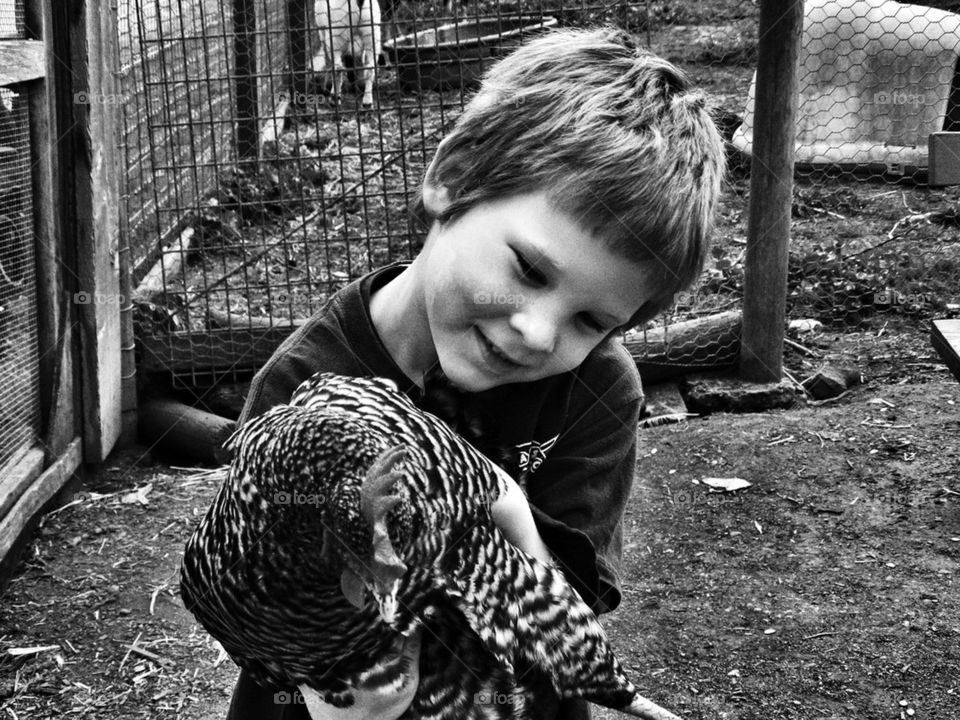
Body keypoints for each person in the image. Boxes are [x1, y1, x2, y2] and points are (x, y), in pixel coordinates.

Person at [224, 25, 725, 720]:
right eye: (527, 270)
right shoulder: (301, 384)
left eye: (590, 321)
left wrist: (501, 513)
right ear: (452, 180)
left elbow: (561, 609)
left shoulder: (596, 392)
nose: (535, 331)